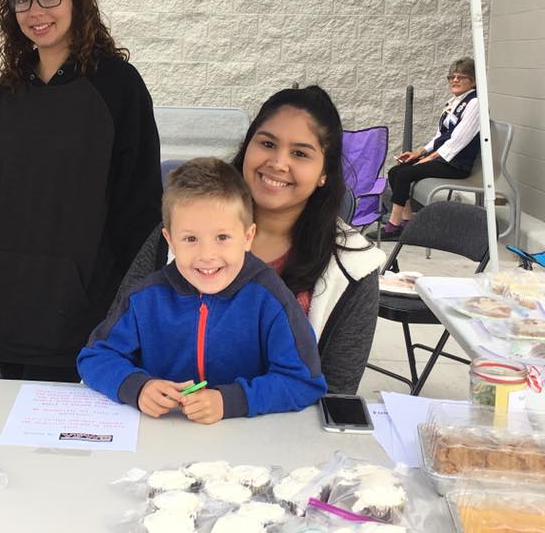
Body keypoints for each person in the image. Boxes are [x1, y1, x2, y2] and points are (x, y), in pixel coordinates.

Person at [0, 0, 162, 383]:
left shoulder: (117, 87)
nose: (35, 11)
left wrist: (132, 300)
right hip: (11, 307)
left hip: (87, 311)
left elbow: (140, 204)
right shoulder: (5, 95)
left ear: (76, 2)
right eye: (22, 0)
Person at [118, 86, 385, 395]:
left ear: (324, 171)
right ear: (248, 147)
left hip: (281, 436)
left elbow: (336, 391)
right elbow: (116, 340)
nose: (278, 163)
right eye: (267, 143)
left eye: (300, 153)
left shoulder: (353, 266)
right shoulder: (178, 234)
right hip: (169, 427)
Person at [78, 158, 327, 422]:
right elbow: (95, 358)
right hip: (161, 437)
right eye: (190, 239)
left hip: (245, 444)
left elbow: (304, 382)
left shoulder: (270, 298)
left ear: (247, 237)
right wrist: (137, 387)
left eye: (222, 237)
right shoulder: (145, 298)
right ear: (170, 241)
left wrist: (232, 401)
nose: (207, 255)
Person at [380, 57, 480, 240]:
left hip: (456, 163)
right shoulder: (455, 101)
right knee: (395, 172)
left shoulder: (475, 103)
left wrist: (431, 158)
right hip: (442, 158)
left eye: (461, 77)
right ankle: (407, 222)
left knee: (404, 174)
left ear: (473, 80)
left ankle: (393, 225)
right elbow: (440, 136)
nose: (455, 80)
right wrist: (420, 153)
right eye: (451, 77)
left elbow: (459, 140)